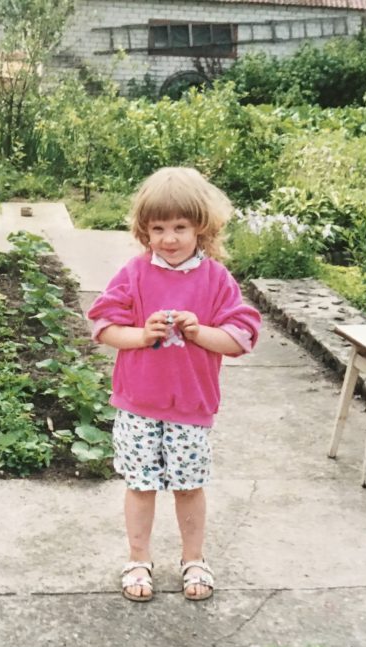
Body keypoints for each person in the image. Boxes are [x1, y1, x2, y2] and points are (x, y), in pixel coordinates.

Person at [86, 167, 262, 603]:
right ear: (143, 229)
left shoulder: (216, 279)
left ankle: (193, 558)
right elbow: (105, 326)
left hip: (190, 407)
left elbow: (240, 338)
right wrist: (141, 336)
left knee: (188, 485)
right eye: (157, 228)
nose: (168, 238)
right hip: (138, 405)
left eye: (180, 227)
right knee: (140, 486)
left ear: (201, 227)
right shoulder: (135, 273)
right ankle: (138, 558)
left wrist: (200, 331)